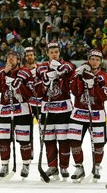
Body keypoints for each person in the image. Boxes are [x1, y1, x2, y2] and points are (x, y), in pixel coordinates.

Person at [68, 49, 107, 183]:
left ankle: (97, 166)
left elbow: (105, 96)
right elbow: (74, 91)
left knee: (98, 144)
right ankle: (79, 167)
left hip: (97, 114)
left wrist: (94, 85)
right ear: (88, 59)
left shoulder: (104, 76)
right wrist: (78, 77)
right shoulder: (79, 73)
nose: (94, 62)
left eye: (97, 60)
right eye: (92, 59)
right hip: (79, 113)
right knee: (74, 141)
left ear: (101, 62)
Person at [36, 42, 75, 180]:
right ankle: (53, 167)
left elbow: (72, 71)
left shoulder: (66, 65)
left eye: (56, 52)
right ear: (47, 53)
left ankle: (64, 166)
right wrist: (46, 80)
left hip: (64, 109)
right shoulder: (41, 68)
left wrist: (60, 70)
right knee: (49, 140)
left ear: (59, 53)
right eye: (51, 52)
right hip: (47, 109)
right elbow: (38, 90)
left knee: (64, 140)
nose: (54, 54)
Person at [0, 50, 34, 179]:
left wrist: (19, 86)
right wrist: (4, 73)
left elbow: (30, 93)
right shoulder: (1, 71)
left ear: (19, 60)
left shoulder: (25, 72)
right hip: (6, 110)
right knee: (4, 140)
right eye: (8, 57)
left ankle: (26, 164)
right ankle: (5, 165)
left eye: (13, 57)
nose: (10, 59)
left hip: (22, 111)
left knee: (24, 140)